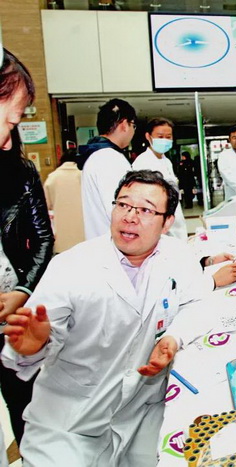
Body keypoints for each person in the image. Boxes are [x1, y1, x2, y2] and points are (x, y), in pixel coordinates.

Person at [1, 170, 209, 465]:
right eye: (123, 204)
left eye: (146, 210)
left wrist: (174, 337)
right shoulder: (71, 266)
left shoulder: (178, 256)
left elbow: (196, 303)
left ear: (167, 223)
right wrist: (34, 344)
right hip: (69, 422)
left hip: (141, 411)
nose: (130, 217)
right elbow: (32, 343)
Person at [0, 49, 54, 453]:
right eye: (10, 117)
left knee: (26, 403)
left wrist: (22, 291)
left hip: (12, 313)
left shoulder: (19, 173)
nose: (9, 135)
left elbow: (43, 240)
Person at [78, 98, 135, 239]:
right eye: (133, 125)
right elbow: (121, 210)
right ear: (124, 124)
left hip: (102, 240)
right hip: (116, 243)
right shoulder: (109, 158)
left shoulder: (96, 155)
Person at [132, 117, 188, 239]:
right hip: (156, 224)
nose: (165, 140)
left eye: (168, 137)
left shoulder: (166, 161)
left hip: (173, 219)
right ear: (148, 136)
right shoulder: (142, 162)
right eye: (160, 136)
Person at [43, 150, 85, 253]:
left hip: (61, 234)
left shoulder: (52, 177)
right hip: (83, 234)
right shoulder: (83, 176)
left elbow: (46, 205)